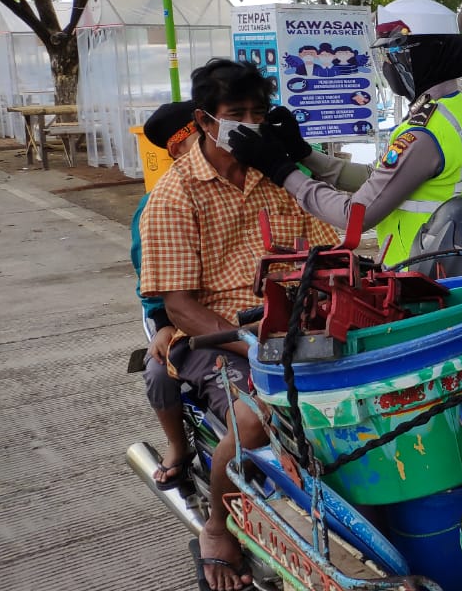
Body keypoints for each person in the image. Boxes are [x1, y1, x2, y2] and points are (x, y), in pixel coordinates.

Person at [140, 58, 339, 591]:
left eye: (259, 113)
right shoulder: (174, 194)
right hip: (216, 334)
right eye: (236, 114)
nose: (249, 124)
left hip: (296, 321)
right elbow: (178, 305)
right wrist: (252, 344)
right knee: (255, 418)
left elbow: (330, 243)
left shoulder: (277, 176)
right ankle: (217, 526)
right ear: (207, 120)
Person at [229, 0, 462, 268]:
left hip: (418, 274)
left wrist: (281, 171)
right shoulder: (451, 109)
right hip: (441, 260)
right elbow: (378, 180)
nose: (387, 65)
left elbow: (354, 218)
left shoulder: (422, 134)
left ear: (425, 56)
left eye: (393, 53)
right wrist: (303, 153)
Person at [129, 100, 199, 489]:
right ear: (180, 146)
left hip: (243, 303)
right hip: (177, 308)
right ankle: (176, 445)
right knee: (160, 369)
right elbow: (151, 279)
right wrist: (163, 324)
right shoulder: (158, 204)